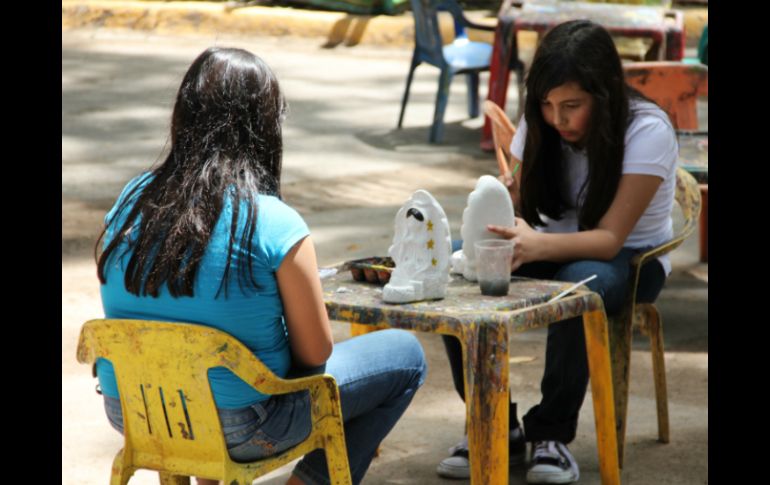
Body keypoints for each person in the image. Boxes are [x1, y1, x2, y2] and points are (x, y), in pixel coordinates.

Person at [94, 47, 427, 485]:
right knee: (406, 356)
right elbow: (315, 353)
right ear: (266, 129)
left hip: (137, 411)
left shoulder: (131, 199)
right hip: (245, 425)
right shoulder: (274, 222)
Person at [437, 20, 677, 484]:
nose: (557, 118)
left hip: (630, 258)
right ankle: (495, 422)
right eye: (547, 105)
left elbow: (609, 239)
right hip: (547, 241)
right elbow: (525, 205)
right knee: (453, 267)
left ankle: (551, 434)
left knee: (578, 282)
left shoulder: (648, 130)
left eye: (572, 106)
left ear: (603, 96)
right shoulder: (543, 120)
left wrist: (536, 244)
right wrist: (502, 203)